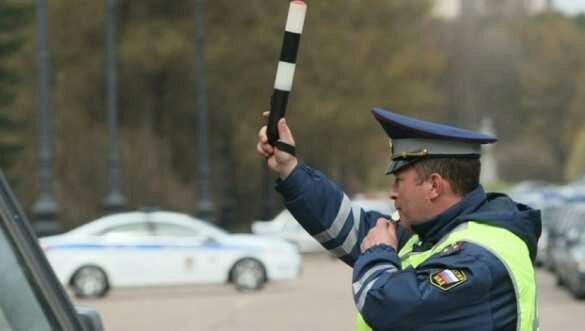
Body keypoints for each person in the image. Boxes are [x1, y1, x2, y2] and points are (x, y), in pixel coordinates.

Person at [256, 107, 541, 331]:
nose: (392, 194)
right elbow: (348, 225)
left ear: (434, 185)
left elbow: (389, 308)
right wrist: (290, 169)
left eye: (399, 181)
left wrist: (379, 253)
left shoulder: (479, 257)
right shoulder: (435, 235)